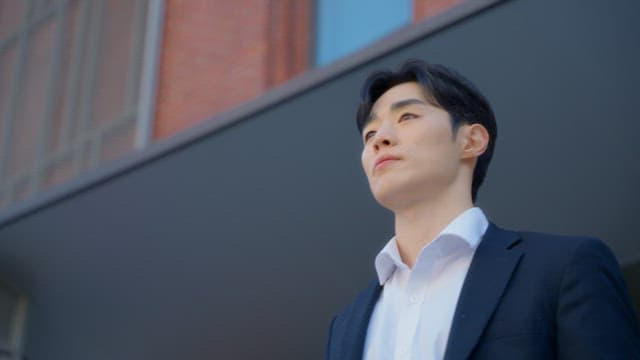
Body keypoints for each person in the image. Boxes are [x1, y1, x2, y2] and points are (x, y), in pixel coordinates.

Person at [324, 60, 640, 359]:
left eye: (406, 117)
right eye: (369, 133)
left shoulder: (564, 268)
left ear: (472, 140)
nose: (380, 139)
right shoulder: (344, 327)